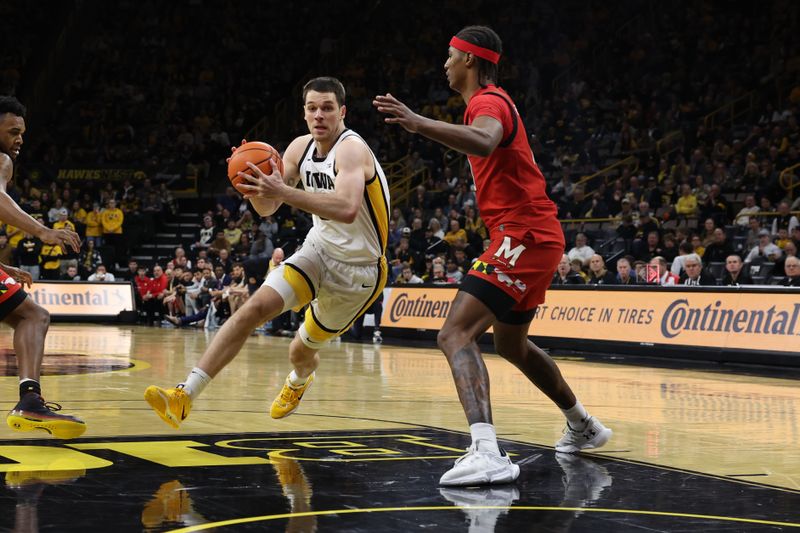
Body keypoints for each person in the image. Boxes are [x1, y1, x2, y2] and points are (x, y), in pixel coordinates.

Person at [374, 26, 610, 487]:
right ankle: (584, 425)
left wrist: (418, 122)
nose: (444, 64)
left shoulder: (489, 102)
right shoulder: (485, 102)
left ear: (469, 59)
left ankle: (487, 452)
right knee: (510, 345)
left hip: (523, 234)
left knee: (454, 333)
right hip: (526, 234)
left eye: (449, 55)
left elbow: (483, 140)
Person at [146, 77, 389, 430]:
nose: (319, 115)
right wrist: (252, 182)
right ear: (304, 113)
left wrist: (282, 192)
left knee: (300, 352)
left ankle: (298, 380)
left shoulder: (351, 149)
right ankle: (185, 394)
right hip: (318, 248)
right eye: (312, 108)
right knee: (252, 308)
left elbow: (347, 207)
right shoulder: (298, 149)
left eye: (327, 108)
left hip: (359, 271)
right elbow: (267, 208)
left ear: (342, 112)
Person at [0, 96, 85, 439]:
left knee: (29, 315)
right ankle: (30, 401)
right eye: (12, 132)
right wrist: (43, 230)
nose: (19, 139)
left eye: (22, 133)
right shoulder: (1, 160)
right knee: (34, 316)